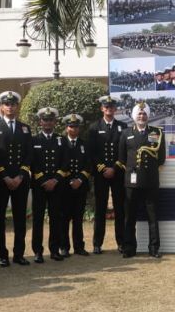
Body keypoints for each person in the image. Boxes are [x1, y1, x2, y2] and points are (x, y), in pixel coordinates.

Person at [0, 90, 33, 267]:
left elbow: (29, 154)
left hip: (20, 180)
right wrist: (5, 176)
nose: (10, 107)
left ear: (17, 106)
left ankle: (19, 254)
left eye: (13, 104)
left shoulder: (25, 128)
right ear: (2, 107)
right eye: (7, 104)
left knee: (20, 218)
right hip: (1, 180)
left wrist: (21, 175)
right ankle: (2, 255)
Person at [118, 102, 166, 258]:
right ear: (134, 116)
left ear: (148, 116)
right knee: (130, 217)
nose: (142, 116)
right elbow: (121, 158)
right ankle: (129, 248)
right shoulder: (126, 133)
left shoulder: (156, 133)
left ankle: (154, 248)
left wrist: (148, 171)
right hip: (132, 181)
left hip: (150, 180)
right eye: (139, 113)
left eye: (144, 113)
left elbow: (161, 158)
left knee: (153, 216)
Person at [88, 96, 127, 254]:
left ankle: (121, 242)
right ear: (102, 109)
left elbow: (124, 151)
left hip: (117, 173)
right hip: (101, 174)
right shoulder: (94, 127)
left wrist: (115, 168)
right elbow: (92, 152)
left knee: (120, 209)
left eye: (111, 106)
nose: (109, 109)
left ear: (115, 109)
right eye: (106, 106)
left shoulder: (123, 126)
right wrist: (103, 168)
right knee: (100, 208)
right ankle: (97, 243)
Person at [31, 107, 66, 262]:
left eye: (51, 120)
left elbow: (65, 162)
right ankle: (38, 251)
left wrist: (55, 180)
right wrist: (43, 180)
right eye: (45, 120)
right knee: (38, 219)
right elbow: (32, 162)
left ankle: (54, 250)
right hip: (40, 185)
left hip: (57, 186)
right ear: (40, 122)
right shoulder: (34, 140)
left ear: (55, 122)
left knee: (55, 218)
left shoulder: (61, 140)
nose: (48, 123)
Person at [60, 114, 93, 256]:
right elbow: (59, 163)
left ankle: (79, 246)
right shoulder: (61, 143)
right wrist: (69, 180)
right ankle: (64, 247)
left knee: (78, 218)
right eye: (71, 126)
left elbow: (89, 164)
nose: (73, 129)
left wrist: (79, 180)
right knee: (64, 218)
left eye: (76, 127)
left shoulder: (85, 144)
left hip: (80, 186)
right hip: (65, 186)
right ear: (66, 128)